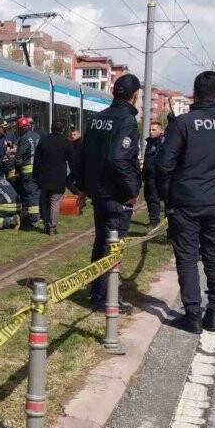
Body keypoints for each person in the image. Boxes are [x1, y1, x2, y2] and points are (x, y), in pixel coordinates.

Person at [156, 73, 215, 334]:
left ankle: (192, 315)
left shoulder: (183, 123)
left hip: (186, 201)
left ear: (193, 92)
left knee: (187, 257)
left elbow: (163, 165)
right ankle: (214, 314)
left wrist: (166, 196)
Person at [75, 74, 142, 312]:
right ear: (135, 95)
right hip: (116, 194)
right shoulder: (127, 121)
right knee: (112, 245)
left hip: (98, 192)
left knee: (101, 242)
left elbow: (82, 155)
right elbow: (119, 159)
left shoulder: (96, 119)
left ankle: (96, 292)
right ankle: (104, 297)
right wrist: (131, 190)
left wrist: (83, 188)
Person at [33, 122, 77, 235]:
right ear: (62, 129)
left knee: (44, 201)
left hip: (44, 177)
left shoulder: (43, 141)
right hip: (59, 178)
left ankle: (46, 223)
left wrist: (35, 176)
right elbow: (72, 162)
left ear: (51, 128)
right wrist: (74, 177)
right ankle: (52, 226)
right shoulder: (66, 143)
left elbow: (37, 160)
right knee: (55, 202)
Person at [14, 116, 41, 228]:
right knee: (37, 192)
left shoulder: (24, 138)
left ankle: (33, 217)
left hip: (28, 170)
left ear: (20, 128)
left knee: (30, 193)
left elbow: (19, 157)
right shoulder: (37, 136)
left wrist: (17, 169)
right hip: (39, 170)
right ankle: (36, 214)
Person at [142, 121, 166, 227]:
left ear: (160, 131)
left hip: (156, 177)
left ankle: (155, 221)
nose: (151, 132)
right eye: (150, 130)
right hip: (148, 176)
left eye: (154, 130)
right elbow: (147, 160)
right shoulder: (150, 142)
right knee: (148, 198)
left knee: (154, 199)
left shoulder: (162, 142)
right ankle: (152, 219)